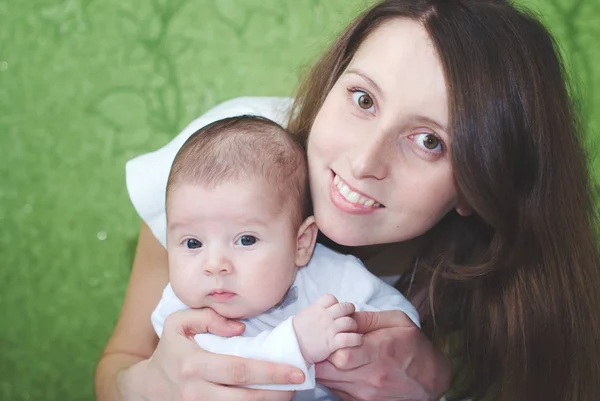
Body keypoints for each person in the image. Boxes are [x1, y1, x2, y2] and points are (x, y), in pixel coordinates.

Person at [95, 1, 600, 400]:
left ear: (476, 186)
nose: (363, 162)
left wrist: (433, 377)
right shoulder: (223, 167)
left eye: (429, 141)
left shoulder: (484, 266)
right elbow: (119, 362)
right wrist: (138, 386)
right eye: (363, 99)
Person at [150, 115, 420, 401]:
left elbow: (399, 325)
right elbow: (225, 366)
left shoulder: (330, 275)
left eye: (246, 240)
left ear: (301, 244)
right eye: (193, 243)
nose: (214, 264)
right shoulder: (179, 315)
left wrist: (357, 338)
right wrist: (297, 343)